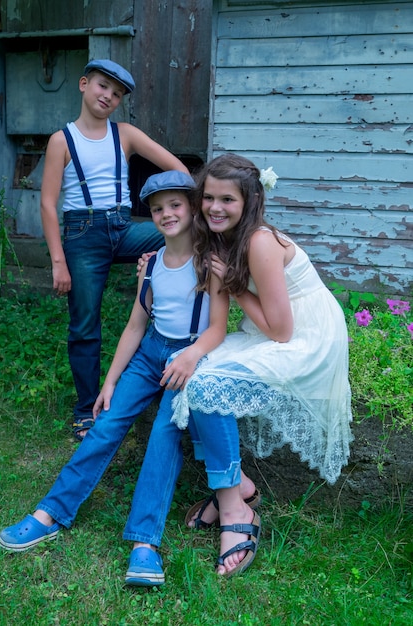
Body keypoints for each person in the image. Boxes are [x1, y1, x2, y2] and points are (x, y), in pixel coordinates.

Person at [0, 171, 230, 587]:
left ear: (193, 208)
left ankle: (145, 543)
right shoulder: (152, 264)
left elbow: (218, 329)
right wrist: (109, 381)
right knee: (104, 424)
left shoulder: (209, 265)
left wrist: (193, 355)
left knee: (164, 435)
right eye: (157, 209)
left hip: (190, 355)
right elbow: (136, 326)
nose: (166, 214)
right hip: (149, 353)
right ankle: (50, 512)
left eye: (176, 205)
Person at [170, 153, 353, 577]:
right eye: (208, 198)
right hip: (268, 329)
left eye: (226, 200)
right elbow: (226, 323)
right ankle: (238, 487)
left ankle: (236, 508)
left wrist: (233, 285)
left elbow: (282, 331)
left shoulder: (259, 241)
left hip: (306, 336)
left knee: (208, 387)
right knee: (194, 374)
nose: (214, 207)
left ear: (250, 200)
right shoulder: (220, 239)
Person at [40, 58, 190, 440]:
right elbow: (47, 203)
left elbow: (178, 172)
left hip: (124, 227)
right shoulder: (62, 140)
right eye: (102, 86)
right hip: (82, 235)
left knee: (183, 235)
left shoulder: (124, 134)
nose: (108, 96)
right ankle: (85, 410)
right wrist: (59, 261)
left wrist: (167, 223)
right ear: (84, 84)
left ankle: (175, 324)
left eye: (117, 93)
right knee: (85, 324)